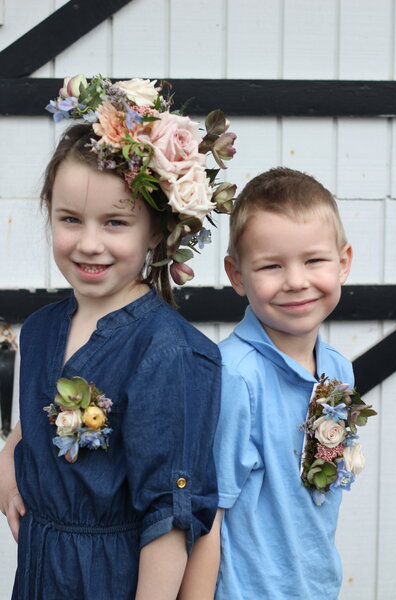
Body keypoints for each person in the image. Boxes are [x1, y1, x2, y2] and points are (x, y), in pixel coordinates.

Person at [0, 74, 237, 599]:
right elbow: (32, 424)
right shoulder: (39, 331)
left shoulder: (172, 354)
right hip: (39, 574)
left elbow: (169, 518)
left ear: (156, 230)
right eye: (70, 219)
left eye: (114, 222)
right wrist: (8, 459)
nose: (88, 243)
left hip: (110, 578)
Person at [213, 167, 357, 599]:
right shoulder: (235, 376)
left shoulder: (337, 370)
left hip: (315, 586)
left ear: (343, 263)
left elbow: (318, 489)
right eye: (272, 266)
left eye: (314, 260)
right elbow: (208, 513)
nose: (296, 281)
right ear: (237, 275)